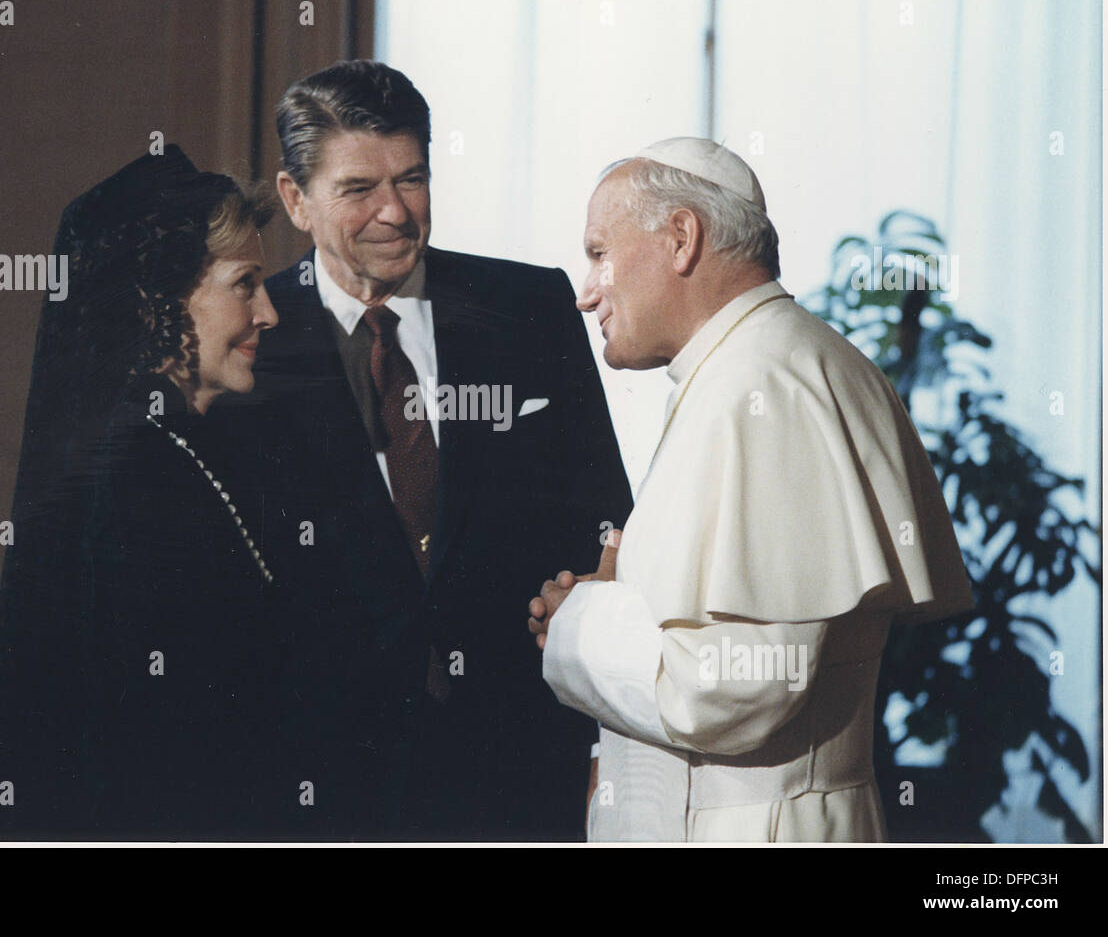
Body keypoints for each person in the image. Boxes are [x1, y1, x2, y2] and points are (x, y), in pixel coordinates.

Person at [224, 60, 634, 840]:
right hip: (317, 791)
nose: (393, 213)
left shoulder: (531, 310)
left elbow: (607, 521)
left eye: (412, 179)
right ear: (294, 200)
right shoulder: (250, 342)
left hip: (515, 779)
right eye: (357, 189)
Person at [529, 137, 975, 842]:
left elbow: (738, 687)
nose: (586, 294)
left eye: (598, 253)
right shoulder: (770, 362)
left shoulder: (759, 382)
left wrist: (579, 622)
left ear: (682, 238)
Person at [0, 146, 296, 840]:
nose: (268, 312)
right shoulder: (130, 476)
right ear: (160, 298)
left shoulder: (184, 448)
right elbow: (150, 740)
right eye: (244, 284)